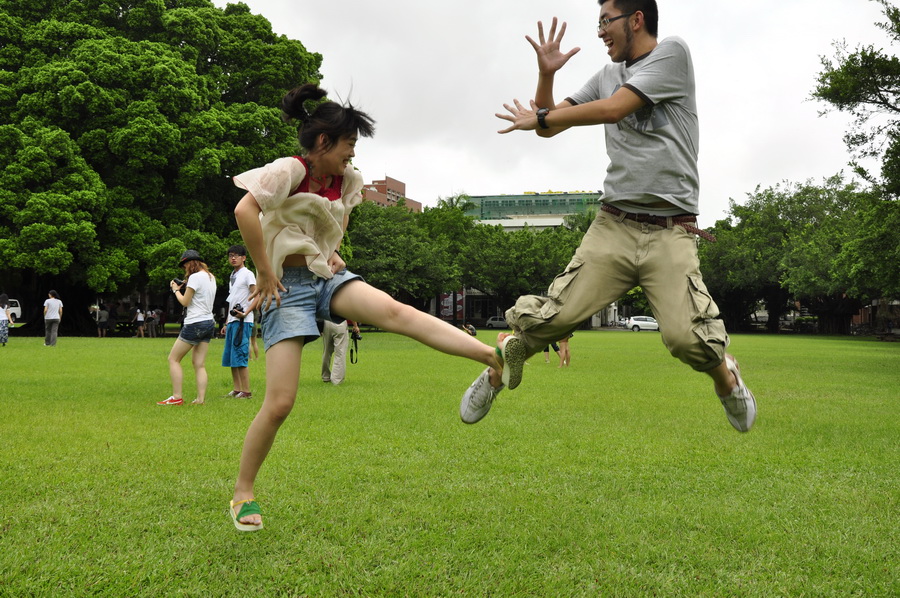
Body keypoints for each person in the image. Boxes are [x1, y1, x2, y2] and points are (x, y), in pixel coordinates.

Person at [461, 0, 756, 433]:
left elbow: (614, 109)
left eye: (606, 21)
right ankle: (494, 373)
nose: (600, 31)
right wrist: (547, 76)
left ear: (636, 19)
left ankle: (727, 379)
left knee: (687, 338)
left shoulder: (672, 53)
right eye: (597, 22)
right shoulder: (606, 75)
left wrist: (541, 115)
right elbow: (548, 127)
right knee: (553, 318)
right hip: (614, 226)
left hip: (670, 231)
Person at [228, 83, 505, 531]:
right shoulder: (289, 170)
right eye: (348, 144)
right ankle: (243, 492)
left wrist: (332, 253)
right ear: (323, 142)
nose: (352, 154)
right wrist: (263, 270)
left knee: (397, 312)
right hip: (285, 287)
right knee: (279, 403)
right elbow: (245, 211)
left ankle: (494, 358)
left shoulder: (348, 181)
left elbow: (330, 228)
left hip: (324, 277)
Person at [159, 250, 217, 406]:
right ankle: (200, 399)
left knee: (173, 359)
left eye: (185, 265)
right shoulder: (211, 277)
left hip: (195, 322)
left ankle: (176, 397)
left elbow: (185, 302)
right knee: (199, 364)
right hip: (208, 322)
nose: (184, 269)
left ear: (190, 263)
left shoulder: (195, 277)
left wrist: (176, 290)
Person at [221, 245, 260, 398]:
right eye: (230, 255)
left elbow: (257, 295)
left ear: (244, 258)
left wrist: (245, 313)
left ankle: (246, 391)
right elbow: (231, 301)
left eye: (236, 255)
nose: (233, 258)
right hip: (232, 321)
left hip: (243, 322)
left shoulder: (248, 274)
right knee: (232, 356)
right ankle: (237, 389)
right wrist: (226, 323)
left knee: (241, 355)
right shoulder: (233, 276)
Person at [321, 319, 359, 385]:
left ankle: (325, 376)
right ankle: (336, 379)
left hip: (327, 323)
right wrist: (355, 326)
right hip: (340, 323)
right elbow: (350, 313)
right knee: (340, 353)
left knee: (327, 351)